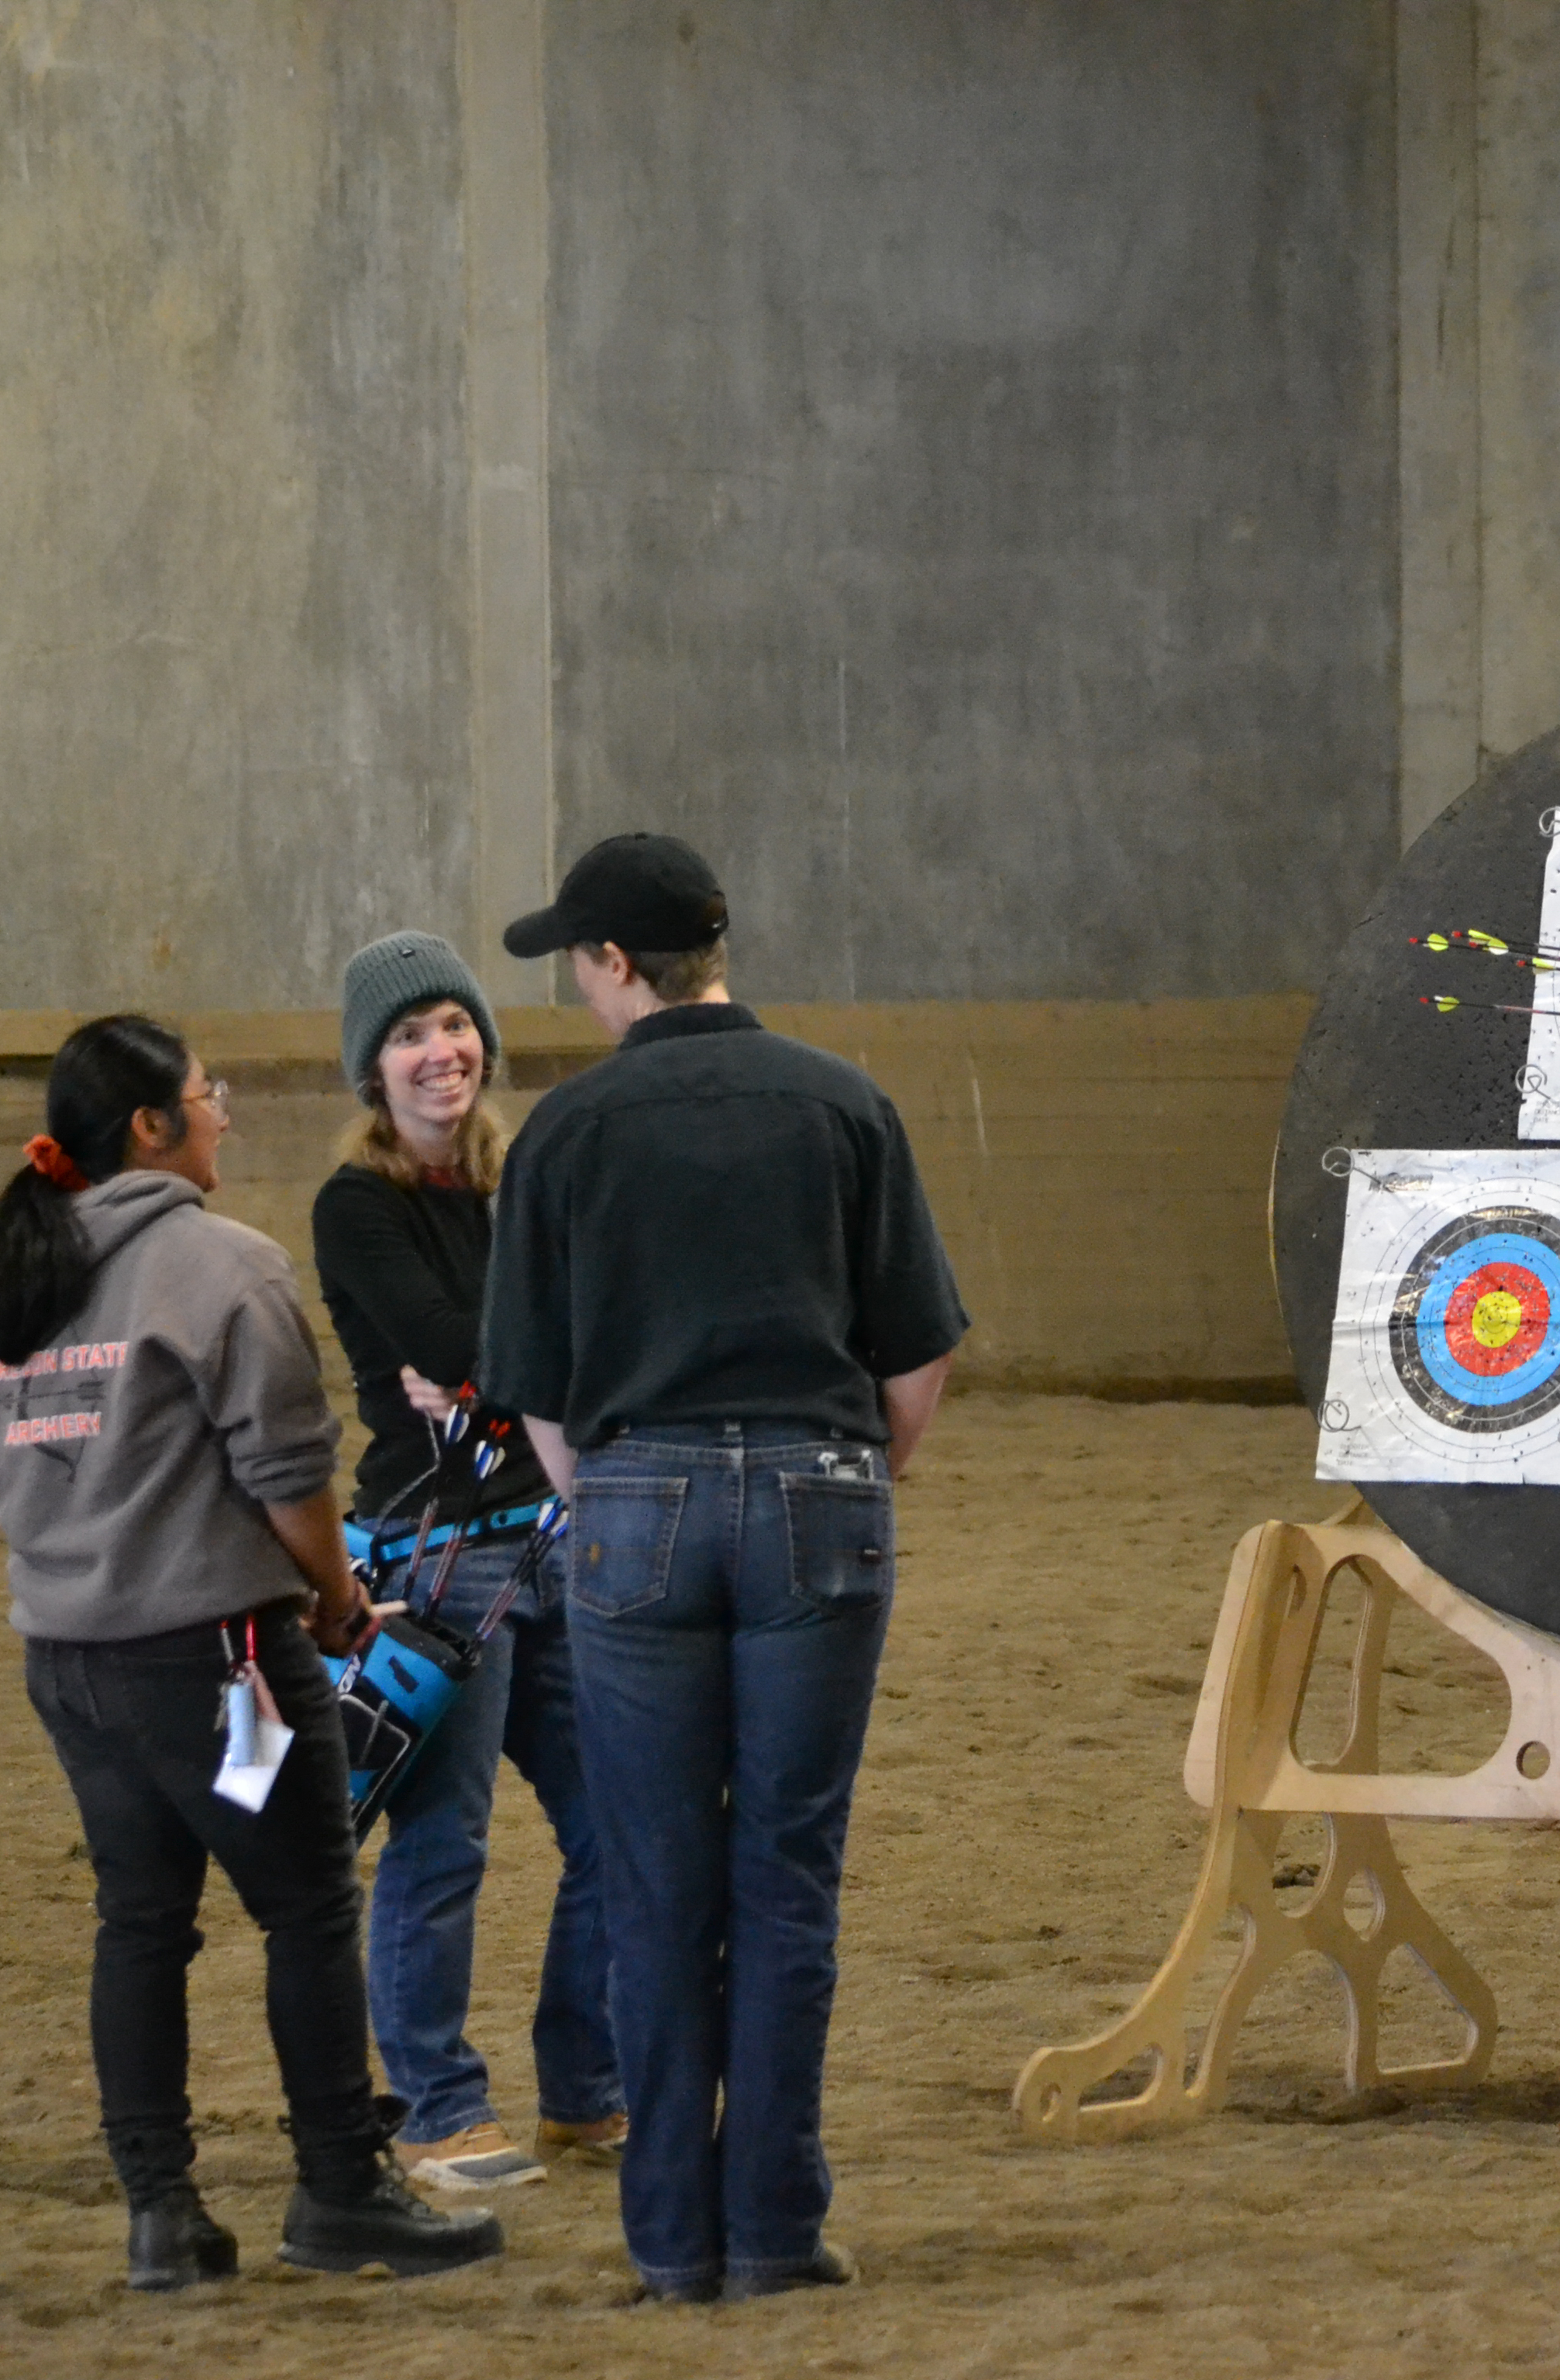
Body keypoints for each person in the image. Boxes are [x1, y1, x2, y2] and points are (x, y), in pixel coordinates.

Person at [476, 833, 967, 2303]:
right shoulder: (841, 1101)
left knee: (653, 1881)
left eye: (578, 955)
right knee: (787, 1877)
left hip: (637, 1503)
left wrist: (617, 1491)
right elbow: (921, 1356)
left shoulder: (567, 1134)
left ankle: (670, 2242)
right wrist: (843, 1475)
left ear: (617, 963)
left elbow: (535, 1389)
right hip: (824, 1493)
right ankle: (774, 2232)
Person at [0, 1015, 503, 2290]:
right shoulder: (224, 1266)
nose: (226, 1114)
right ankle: (338, 2187)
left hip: (70, 1658)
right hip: (219, 1659)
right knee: (309, 1907)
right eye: (210, 1096)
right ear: (151, 1128)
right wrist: (331, 1596)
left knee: (140, 1923)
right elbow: (289, 1476)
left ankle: (163, 2212)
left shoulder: (17, 1282)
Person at [312, 931, 625, 2192]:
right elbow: (470, 1336)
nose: (439, 1053)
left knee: (618, 1824)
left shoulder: (528, 1174)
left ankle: (585, 2088)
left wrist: (496, 1369)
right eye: (406, 1036)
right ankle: (438, 2107)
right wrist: (514, 1354)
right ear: (371, 1073)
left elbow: (543, 1337)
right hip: (440, 1564)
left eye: (452, 1025)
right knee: (442, 1842)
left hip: (553, 1543)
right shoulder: (356, 1207)